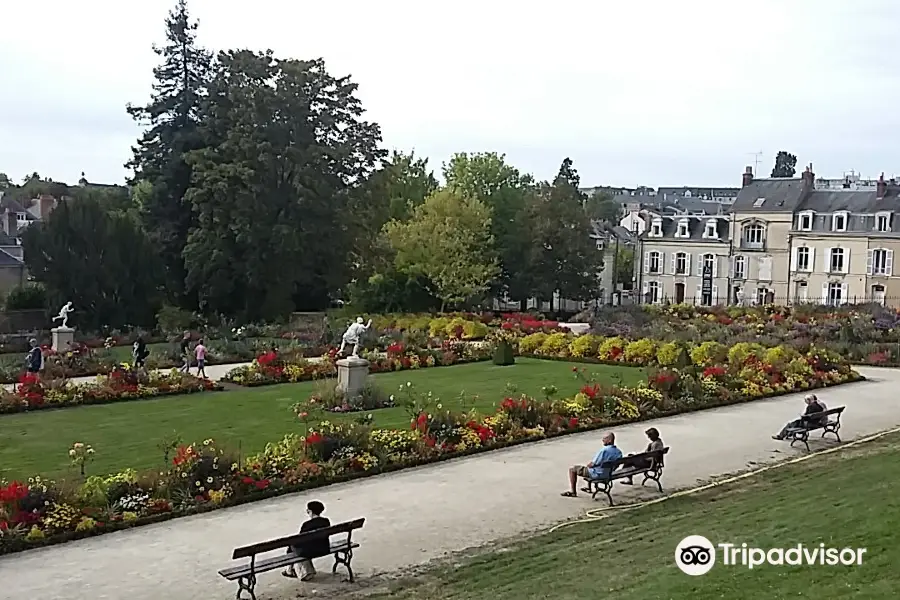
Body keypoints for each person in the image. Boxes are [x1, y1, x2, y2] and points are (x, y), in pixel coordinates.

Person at [561, 432, 623, 498]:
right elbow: (617, 465)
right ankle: (588, 488)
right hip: (608, 474)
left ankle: (573, 492)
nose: (602, 440)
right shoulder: (618, 452)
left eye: (605, 438)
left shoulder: (604, 451)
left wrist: (589, 465)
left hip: (597, 474)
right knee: (589, 468)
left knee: (573, 469)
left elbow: (592, 464)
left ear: (610, 440)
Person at [282, 500, 331, 581]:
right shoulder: (326, 521)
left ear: (310, 511)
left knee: (293, 546)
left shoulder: (306, 524)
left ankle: (300, 572)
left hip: (311, 551)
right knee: (296, 546)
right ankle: (290, 570)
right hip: (324, 548)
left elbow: (300, 539)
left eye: (307, 510)